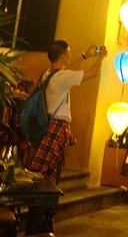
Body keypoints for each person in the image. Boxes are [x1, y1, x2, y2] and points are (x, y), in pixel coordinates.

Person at [29, 41, 107, 184]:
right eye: (69, 53)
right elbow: (94, 73)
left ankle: (40, 202)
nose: (71, 54)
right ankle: (47, 204)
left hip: (47, 124)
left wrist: (84, 57)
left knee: (42, 169)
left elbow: (65, 72)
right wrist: (101, 57)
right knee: (52, 170)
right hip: (58, 127)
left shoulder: (47, 74)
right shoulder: (63, 78)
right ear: (62, 57)